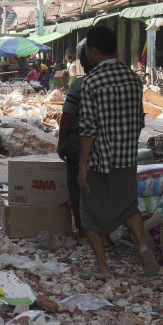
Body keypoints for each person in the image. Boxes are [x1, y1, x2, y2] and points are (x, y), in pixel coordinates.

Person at [77, 25, 159, 280]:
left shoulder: (91, 82)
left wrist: (82, 166)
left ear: (92, 50)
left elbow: (88, 129)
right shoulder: (134, 79)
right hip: (126, 157)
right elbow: (139, 120)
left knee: (89, 213)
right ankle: (143, 245)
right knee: (128, 207)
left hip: (100, 160)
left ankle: (103, 266)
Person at [57, 41, 95, 236]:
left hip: (80, 147)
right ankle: (102, 232)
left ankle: (84, 230)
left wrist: (60, 143)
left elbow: (67, 116)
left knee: (77, 187)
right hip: (110, 148)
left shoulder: (80, 84)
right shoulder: (126, 81)